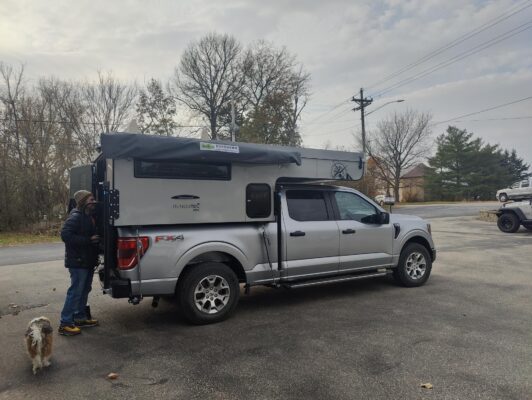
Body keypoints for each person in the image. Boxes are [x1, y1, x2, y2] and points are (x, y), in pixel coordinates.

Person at [58, 190, 100, 336]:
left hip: (86, 261)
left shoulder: (88, 216)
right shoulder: (75, 216)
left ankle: (80, 317)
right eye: (91, 199)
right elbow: (65, 235)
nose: (94, 202)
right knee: (76, 291)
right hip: (78, 262)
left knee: (84, 289)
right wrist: (88, 240)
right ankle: (65, 323)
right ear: (83, 201)